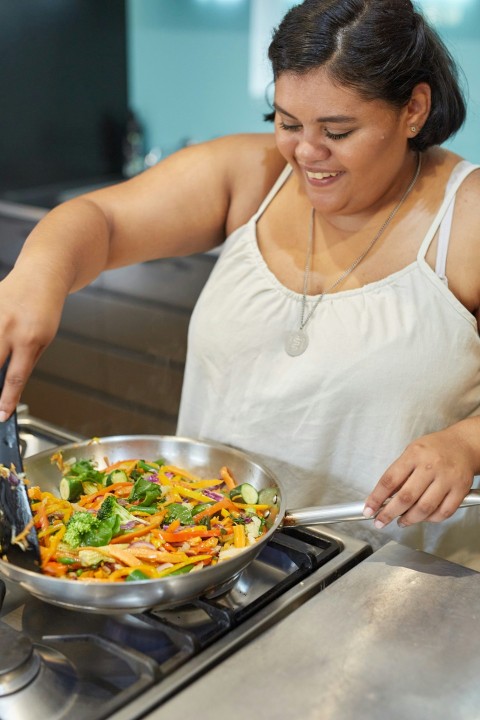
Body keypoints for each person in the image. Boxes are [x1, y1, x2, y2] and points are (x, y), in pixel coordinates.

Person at [1, 0, 480, 566]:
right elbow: (101, 223)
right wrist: (37, 274)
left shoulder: (465, 219)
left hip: (392, 583)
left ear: (414, 109)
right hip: (211, 561)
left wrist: (467, 443)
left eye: (338, 130)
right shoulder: (250, 176)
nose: (306, 153)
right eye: (287, 122)